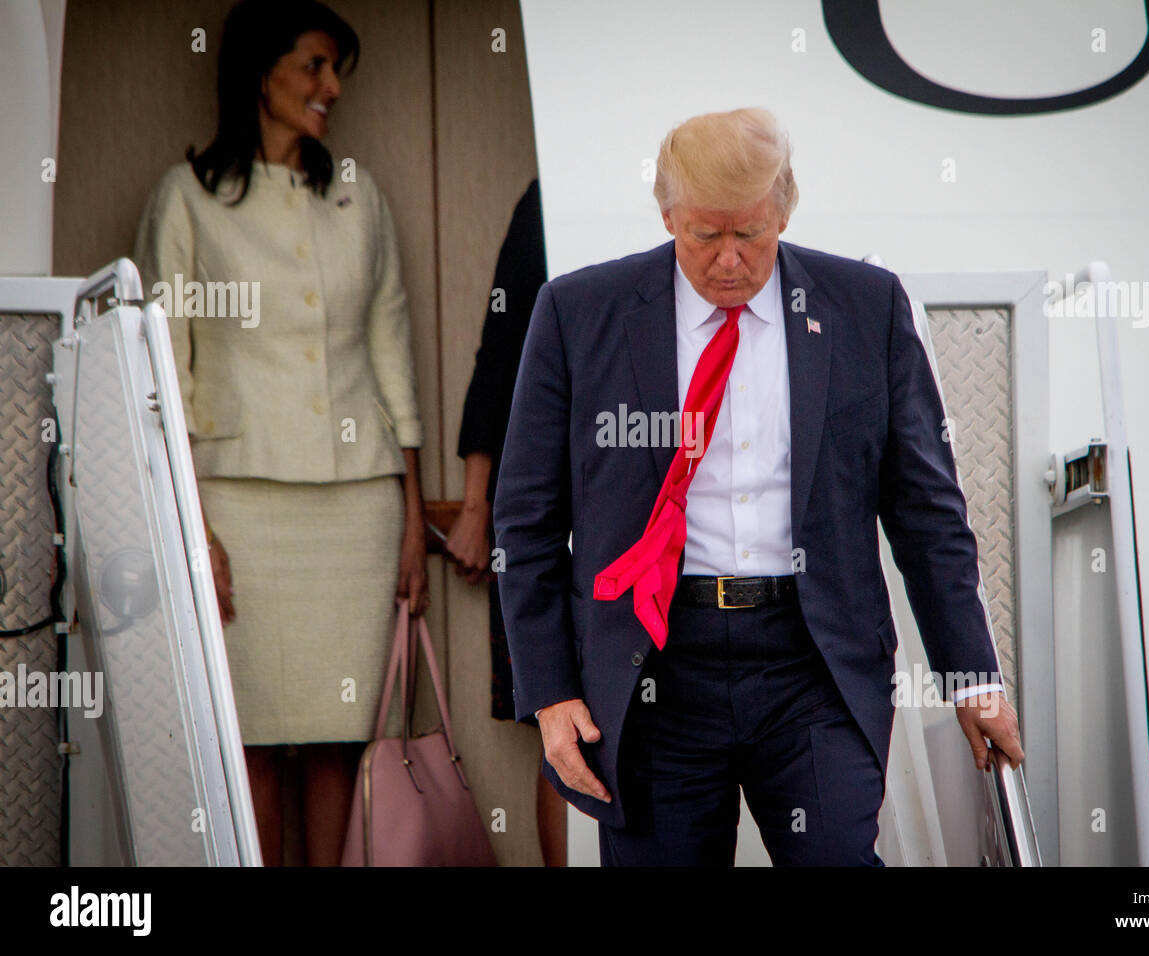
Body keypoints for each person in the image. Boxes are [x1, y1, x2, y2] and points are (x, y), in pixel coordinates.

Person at [492, 107, 1024, 866]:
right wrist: (549, 694)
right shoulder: (580, 314)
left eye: (752, 234)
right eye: (705, 236)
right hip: (655, 670)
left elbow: (926, 512)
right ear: (667, 212)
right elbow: (526, 523)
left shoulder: (864, 308)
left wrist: (973, 677)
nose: (730, 260)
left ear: (785, 208)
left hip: (813, 663)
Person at [133, 0, 427, 866]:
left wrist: (414, 514)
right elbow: (166, 376)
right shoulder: (186, 198)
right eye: (314, 65)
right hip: (236, 506)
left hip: (357, 507)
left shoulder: (355, 191)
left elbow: (392, 350)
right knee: (252, 736)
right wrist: (196, 530)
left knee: (339, 735)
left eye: (337, 69)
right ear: (260, 73)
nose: (331, 87)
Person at [445, 178, 568, 865]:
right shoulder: (549, 195)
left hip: (674, 521)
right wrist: (473, 508)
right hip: (555, 508)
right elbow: (501, 351)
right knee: (565, 720)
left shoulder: (705, 206)